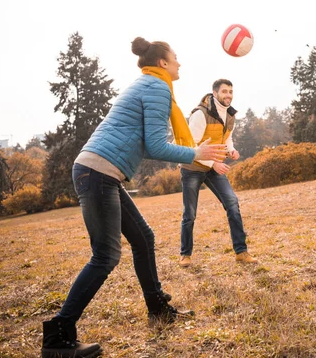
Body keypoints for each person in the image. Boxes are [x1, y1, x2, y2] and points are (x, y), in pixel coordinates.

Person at [41, 37, 227, 358]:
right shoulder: (157, 88)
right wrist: (195, 151)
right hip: (98, 172)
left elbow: (153, 140)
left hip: (102, 173)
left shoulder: (149, 85)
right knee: (105, 256)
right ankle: (58, 335)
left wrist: (194, 152)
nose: (180, 63)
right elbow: (156, 146)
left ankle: (157, 308)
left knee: (143, 238)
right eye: (176, 58)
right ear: (162, 64)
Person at [178, 79, 258, 267]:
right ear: (214, 94)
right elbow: (191, 146)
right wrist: (213, 163)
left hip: (214, 166)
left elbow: (227, 138)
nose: (228, 95)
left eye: (231, 91)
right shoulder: (200, 114)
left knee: (232, 203)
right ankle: (185, 255)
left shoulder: (230, 115)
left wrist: (231, 150)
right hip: (192, 167)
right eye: (224, 91)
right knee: (189, 213)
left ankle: (241, 252)